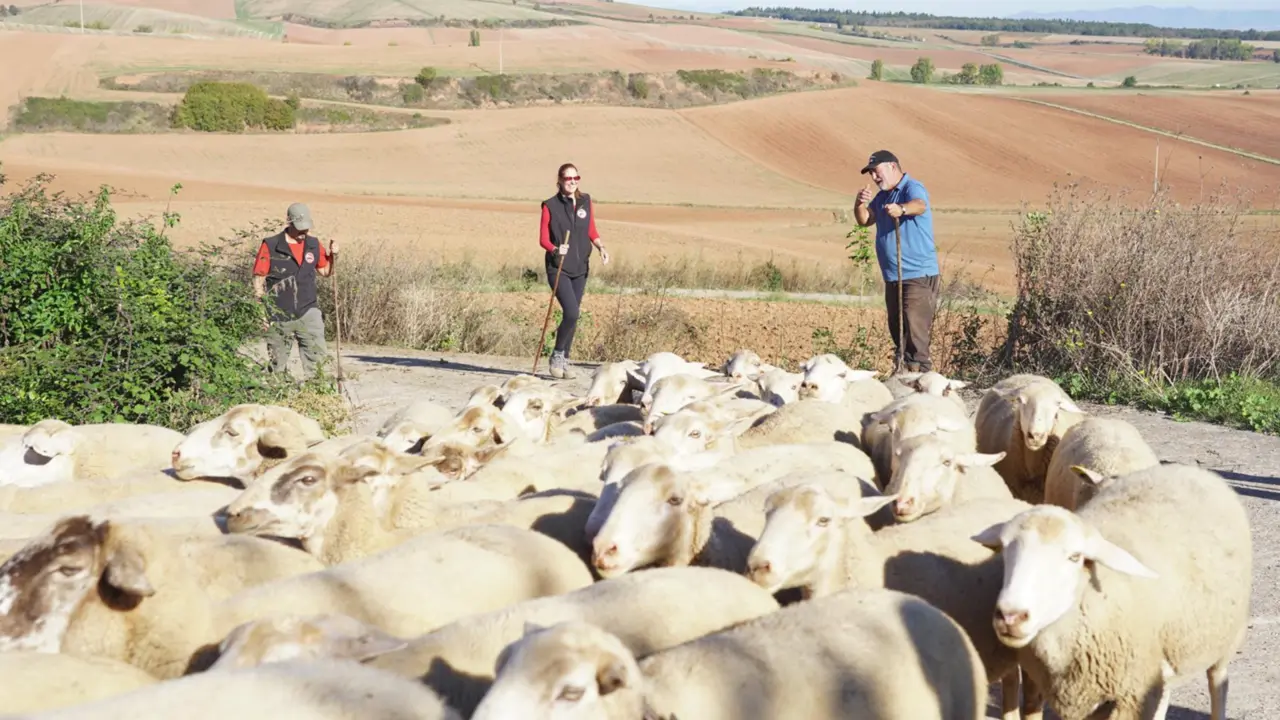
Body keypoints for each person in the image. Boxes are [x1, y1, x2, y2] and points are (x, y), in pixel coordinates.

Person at [852, 149, 941, 373]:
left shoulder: (911, 187)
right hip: (894, 276)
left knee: (914, 330)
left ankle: (920, 378)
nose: (874, 177)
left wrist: (902, 209)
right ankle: (904, 372)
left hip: (917, 275)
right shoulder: (882, 196)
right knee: (898, 329)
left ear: (892, 166)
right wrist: (859, 205)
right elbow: (865, 221)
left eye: (877, 171)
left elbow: (920, 205)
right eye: (871, 173)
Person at [538, 162, 610, 379]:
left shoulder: (584, 201)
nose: (572, 182)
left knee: (574, 317)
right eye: (568, 178)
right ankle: (557, 355)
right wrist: (556, 248)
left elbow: (591, 229)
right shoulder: (550, 205)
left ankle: (564, 362)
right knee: (572, 312)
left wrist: (601, 247)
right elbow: (543, 239)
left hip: (580, 267)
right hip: (558, 267)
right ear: (559, 180)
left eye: (575, 178)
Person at [252, 202, 339, 379]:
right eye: (299, 229)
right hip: (278, 314)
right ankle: (279, 395)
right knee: (277, 366)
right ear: (289, 222)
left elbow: (325, 271)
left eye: (306, 229)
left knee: (317, 361)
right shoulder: (271, 245)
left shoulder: (314, 245)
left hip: (308, 311)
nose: (303, 233)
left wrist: (334, 256)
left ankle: (317, 393)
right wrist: (261, 313)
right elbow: (258, 280)